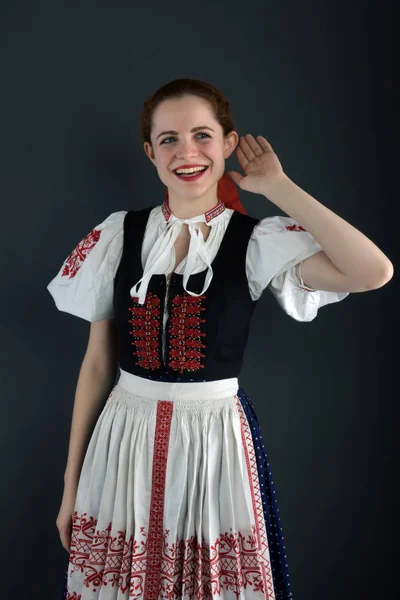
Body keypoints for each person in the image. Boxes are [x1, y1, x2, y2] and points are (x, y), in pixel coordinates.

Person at [48, 78, 393, 600]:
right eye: (169, 139)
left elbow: (374, 271)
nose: (187, 152)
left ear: (229, 145)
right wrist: (71, 485)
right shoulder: (119, 233)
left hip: (213, 442)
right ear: (150, 152)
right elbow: (97, 365)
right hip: (122, 438)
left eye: (202, 135)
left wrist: (277, 186)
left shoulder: (256, 241)